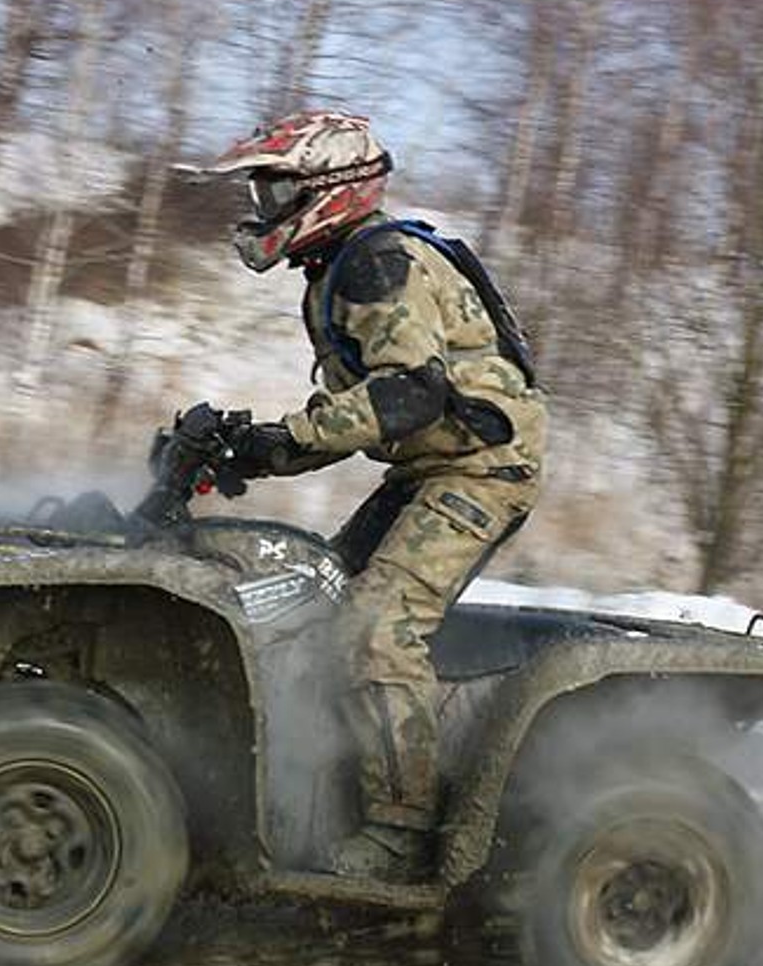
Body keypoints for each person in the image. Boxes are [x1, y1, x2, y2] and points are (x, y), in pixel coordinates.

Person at [178, 110, 548, 883]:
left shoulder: (379, 261)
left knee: (375, 629)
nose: (264, 206)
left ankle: (399, 834)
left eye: (277, 189)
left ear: (330, 190)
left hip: (482, 469)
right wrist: (262, 448)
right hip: (428, 468)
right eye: (262, 189)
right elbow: (378, 412)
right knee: (310, 603)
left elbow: (409, 394)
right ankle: (322, 793)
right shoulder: (342, 265)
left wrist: (282, 439)